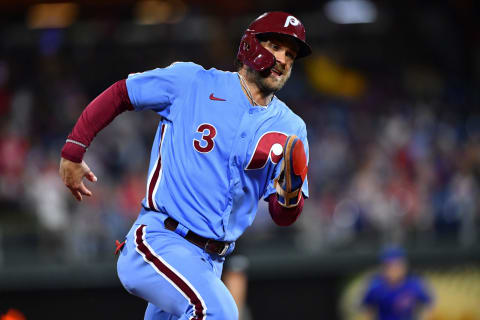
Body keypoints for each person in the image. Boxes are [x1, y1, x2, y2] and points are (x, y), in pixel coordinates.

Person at [59, 11, 310, 320]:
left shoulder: (291, 127)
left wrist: (290, 194)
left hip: (211, 263)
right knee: (218, 312)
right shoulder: (192, 82)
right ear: (249, 45)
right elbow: (122, 93)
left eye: (291, 54)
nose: (284, 59)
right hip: (159, 240)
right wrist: (74, 150)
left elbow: (283, 216)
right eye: (275, 46)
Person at [360, 247, 434, 320]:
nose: (394, 270)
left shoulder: (414, 284)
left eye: (398, 266)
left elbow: (427, 303)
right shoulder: (376, 286)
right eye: (389, 266)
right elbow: (367, 306)